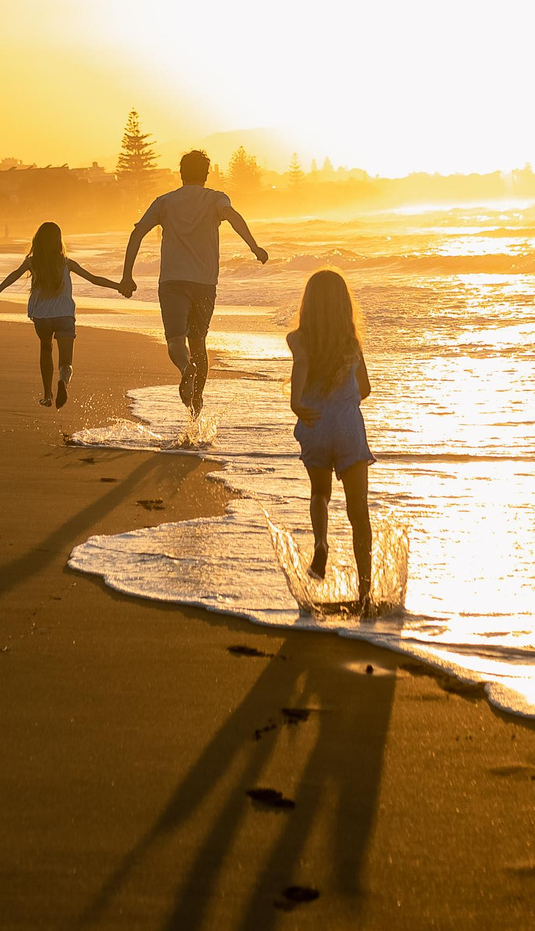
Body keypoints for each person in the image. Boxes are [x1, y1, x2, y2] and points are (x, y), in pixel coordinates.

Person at [118, 149, 268, 411]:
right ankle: (196, 402)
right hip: (204, 283)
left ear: (181, 174)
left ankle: (185, 368)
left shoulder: (164, 202)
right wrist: (254, 248)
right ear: (207, 174)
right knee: (199, 343)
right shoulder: (216, 199)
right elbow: (233, 216)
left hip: (173, 281)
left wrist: (127, 275)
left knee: (176, 340)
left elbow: (137, 233)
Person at [289, 268, 375, 609]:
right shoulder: (351, 341)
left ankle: (321, 544)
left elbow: (301, 365)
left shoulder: (298, 338)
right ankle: (365, 593)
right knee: (359, 511)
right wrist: (346, 399)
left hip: (314, 422)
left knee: (320, 493)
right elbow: (365, 388)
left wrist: (297, 401)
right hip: (347, 426)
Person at [0, 222, 126, 408]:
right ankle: (63, 382)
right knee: (66, 362)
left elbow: (13, 276)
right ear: (58, 240)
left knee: (45, 350)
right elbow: (93, 279)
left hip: (42, 316)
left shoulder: (32, 262)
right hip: (64, 315)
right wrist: (119, 287)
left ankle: (47, 395)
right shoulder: (66, 263)